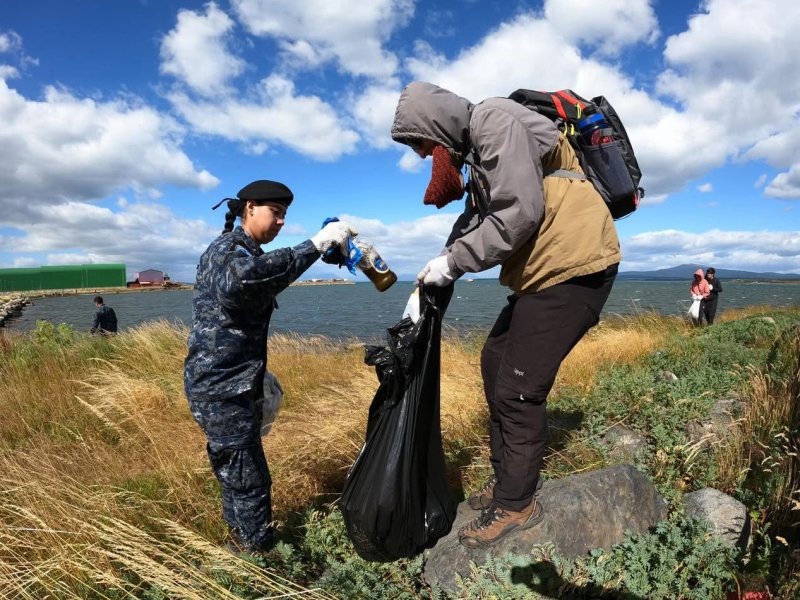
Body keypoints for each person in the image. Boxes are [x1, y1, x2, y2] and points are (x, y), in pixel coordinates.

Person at [391, 82, 620, 548]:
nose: (420, 156)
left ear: (435, 127)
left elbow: (520, 211)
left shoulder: (494, 119)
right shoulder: (479, 148)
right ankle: (506, 482)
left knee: (518, 389)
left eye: (419, 143)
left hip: (576, 266)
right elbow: (475, 219)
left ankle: (518, 504)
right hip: (548, 270)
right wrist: (438, 267)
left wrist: (453, 264)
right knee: (496, 361)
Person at [183, 179, 356, 554]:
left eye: (284, 216)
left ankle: (239, 545)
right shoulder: (229, 251)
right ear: (249, 208)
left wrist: (259, 375)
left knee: (237, 472)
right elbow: (242, 283)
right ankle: (257, 558)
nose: (280, 222)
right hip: (223, 388)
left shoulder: (243, 252)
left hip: (231, 381)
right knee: (249, 478)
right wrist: (316, 244)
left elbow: (251, 290)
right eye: (275, 213)